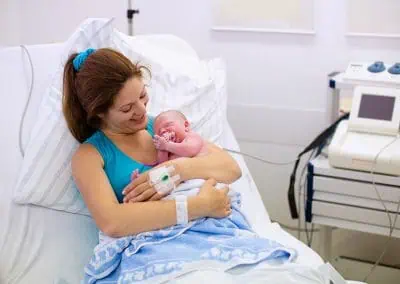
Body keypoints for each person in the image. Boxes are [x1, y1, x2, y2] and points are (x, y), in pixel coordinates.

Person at [62, 47, 242, 238]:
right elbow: (111, 222)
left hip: (210, 228)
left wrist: (175, 170)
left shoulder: (162, 126)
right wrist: (199, 206)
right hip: (157, 243)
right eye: (127, 108)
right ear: (99, 112)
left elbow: (231, 169)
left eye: (142, 95)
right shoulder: (89, 156)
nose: (141, 110)